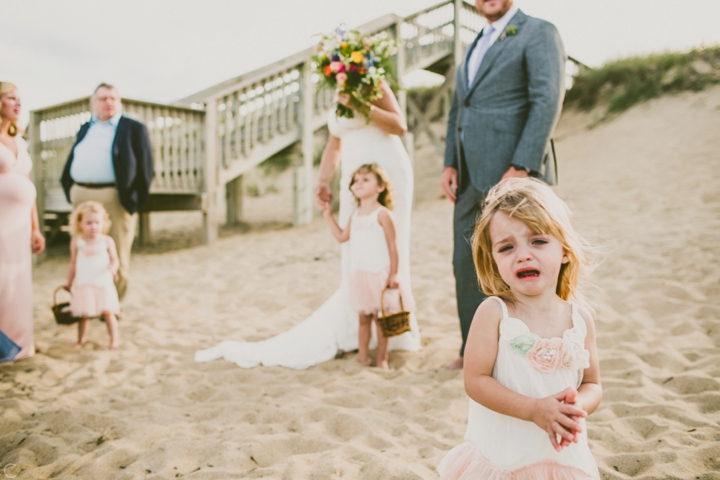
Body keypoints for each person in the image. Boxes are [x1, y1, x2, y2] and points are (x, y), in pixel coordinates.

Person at [195, 80, 420, 369]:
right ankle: (358, 332)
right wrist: (323, 180)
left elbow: (399, 126)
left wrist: (360, 105)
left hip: (384, 169)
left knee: (390, 245)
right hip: (354, 173)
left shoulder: (374, 84)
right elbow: (333, 144)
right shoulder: (338, 96)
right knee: (356, 249)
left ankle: (393, 328)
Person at [437, 178, 601, 479]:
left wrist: (575, 407)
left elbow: (592, 384)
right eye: (506, 247)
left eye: (538, 241)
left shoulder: (580, 318)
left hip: (561, 458)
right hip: (503, 457)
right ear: (493, 260)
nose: (523, 254)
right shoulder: (494, 313)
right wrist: (533, 409)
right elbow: (475, 381)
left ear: (564, 250)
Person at [440, 0, 566, 369]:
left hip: (516, 173)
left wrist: (523, 165)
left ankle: (541, 350)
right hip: (468, 177)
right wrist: (450, 160)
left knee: (529, 262)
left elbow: (546, 98)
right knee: (467, 262)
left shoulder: (538, 31)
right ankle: (473, 351)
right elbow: (458, 110)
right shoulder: (474, 43)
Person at [61, 83, 154, 301]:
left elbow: (146, 167)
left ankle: (113, 305)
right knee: (83, 252)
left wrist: (134, 200)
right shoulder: (86, 127)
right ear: (94, 103)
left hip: (114, 197)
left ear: (119, 102)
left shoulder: (133, 128)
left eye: (113, 98)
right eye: (103, 98)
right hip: (82, 195)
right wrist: (71, 188)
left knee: (116, 252)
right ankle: (88, 301)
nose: (108, 102)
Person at [322, 163, 415, 370]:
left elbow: (393, 246)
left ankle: (382, 358)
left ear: (380, 187)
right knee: (363, 319)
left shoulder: (382, 214)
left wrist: (394, 274)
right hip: (361, 276)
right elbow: (341, 237)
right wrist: (328, 215)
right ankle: (363, 356)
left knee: (381, 320)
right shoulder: (355, 214)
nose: (359, 183)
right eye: (356, 180)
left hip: (381, 275)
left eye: (365, 180)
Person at [0, 81, 46, 362]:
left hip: (20, 227)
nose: (18, 104)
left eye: (20, 99)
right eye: (11, 98)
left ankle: (21, 345)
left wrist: (36, 228)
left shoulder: (21, 140)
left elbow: (27, 186)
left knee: (19, 286)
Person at [65, 201, 121, 350]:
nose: (93, 226)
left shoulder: (106, 241)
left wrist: (113, 269)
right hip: (85, 283)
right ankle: (81, 340)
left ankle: (114, 340)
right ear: (80, 223)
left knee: (108, 312)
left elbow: (115, 259)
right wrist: (69, 281)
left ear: (103, 223)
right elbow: (73, 264)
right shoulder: (78, 242)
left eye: (97, 222)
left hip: (103, 282)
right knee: (84, 314)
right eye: (89, 222)